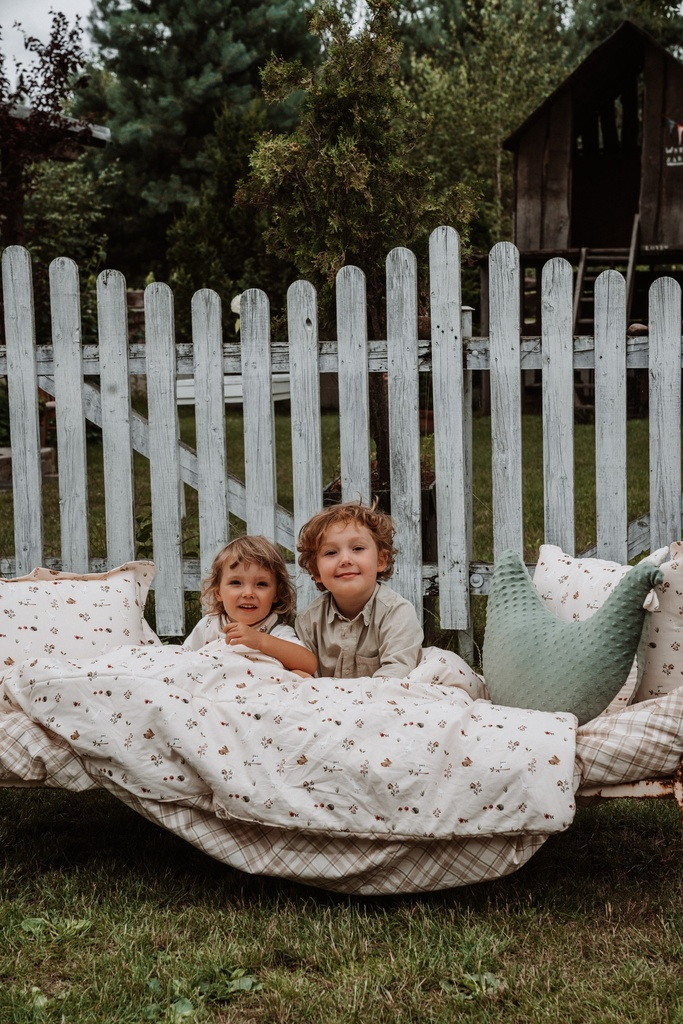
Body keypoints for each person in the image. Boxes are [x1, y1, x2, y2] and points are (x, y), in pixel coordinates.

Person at [295, 500, 423, 678]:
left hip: (384, 699)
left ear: (380, 560)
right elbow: (302, 672)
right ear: (316, 571)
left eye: (357, 548)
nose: (345, 560)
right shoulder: (308, 622)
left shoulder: (396, 613)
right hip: (327, 702)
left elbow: (397, 672)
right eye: (331, 552)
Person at [184, 536, 318, 678]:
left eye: (261, 584)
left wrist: (260, 641)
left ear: (276, 594)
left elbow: (309, 664)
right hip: (215, 686)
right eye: (236, 582)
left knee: (302, 676)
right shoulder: (209, 625)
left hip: (258, 691)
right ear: (218, 593)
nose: (248, 593)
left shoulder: (276, 630)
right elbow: (182, 660)